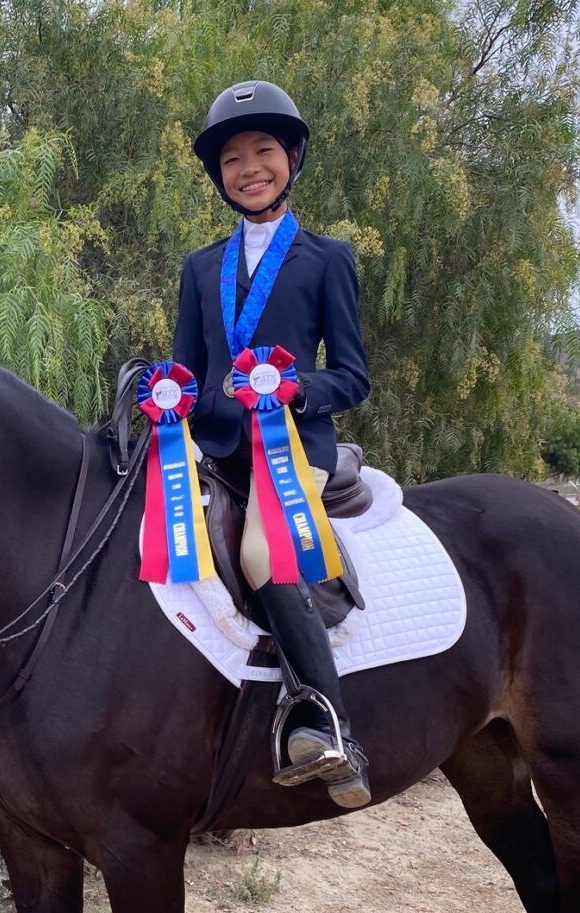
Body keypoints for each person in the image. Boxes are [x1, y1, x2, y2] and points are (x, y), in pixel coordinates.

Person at [173, 79, 371, 808]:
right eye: (232, 157)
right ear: (219, 176)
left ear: (290, 158)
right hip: (217, 451)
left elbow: (351, 376)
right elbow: (188, 374)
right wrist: (162, 400)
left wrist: (293, 390)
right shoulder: (200, 268)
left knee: (262, 552)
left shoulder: (326, 258)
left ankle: (331, 725)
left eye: (263, 151)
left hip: (293, 452)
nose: (248, 167)